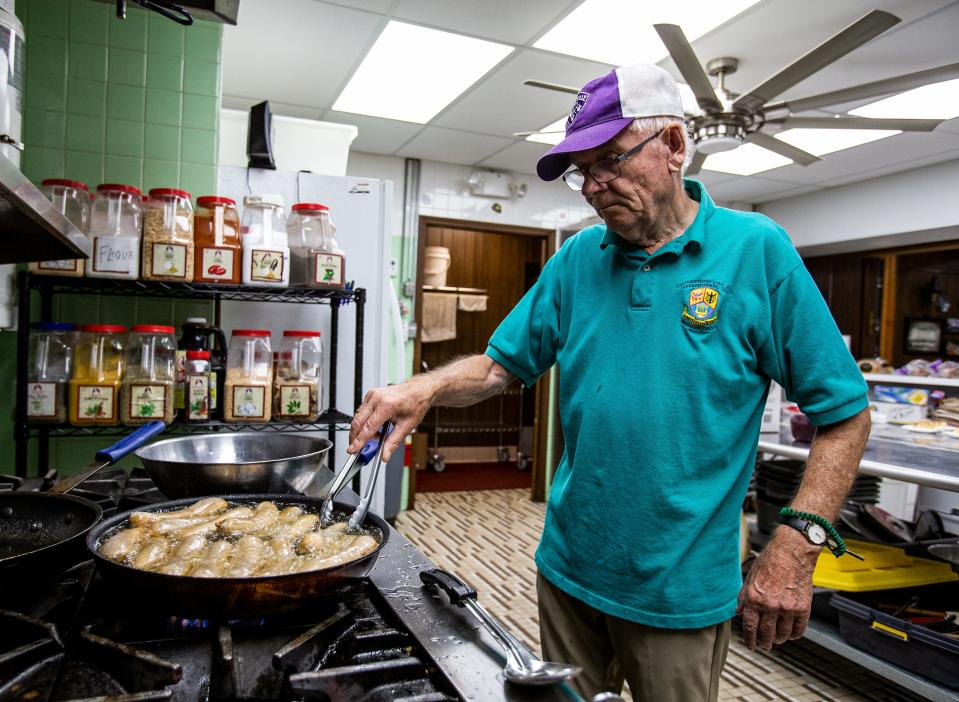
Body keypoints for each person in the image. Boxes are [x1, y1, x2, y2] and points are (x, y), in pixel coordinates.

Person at [348, 63, 871, 701]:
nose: (595, 186)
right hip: (569, 568)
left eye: (611, 162)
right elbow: (496, 366)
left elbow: (844, 412)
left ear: (674, 146)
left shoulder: (756, 251)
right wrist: (422, 389)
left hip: (676, 588)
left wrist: (795, 543)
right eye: (582, 172)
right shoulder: (575, 260)